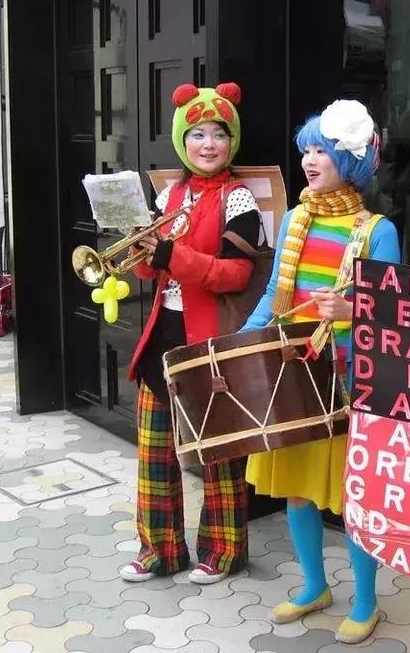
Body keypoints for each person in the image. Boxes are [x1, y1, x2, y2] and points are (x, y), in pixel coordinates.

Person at [241, 99, 401, 644]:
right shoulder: (294, 218)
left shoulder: (379, 230)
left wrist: (354, 310)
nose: (310, 159)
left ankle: (366, 600)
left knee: (356, 497)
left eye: (323, 150)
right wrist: (242, 343)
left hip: (350, 382)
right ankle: (314, 586)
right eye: (307, 149)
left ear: (349, 160)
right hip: (294, 375)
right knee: (297, 491)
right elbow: (272, 294)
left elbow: (395, 317)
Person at [120, 82, 262, 586]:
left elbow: (238, 274)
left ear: (231, 141)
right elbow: (152, 272)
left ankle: (224, 551)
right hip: (165, 333)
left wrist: (172, 255)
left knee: (218, 449)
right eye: (197, 134)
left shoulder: (239, 196)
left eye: (218, 135)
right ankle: (159, 550)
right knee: (155, 450)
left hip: (210, 340)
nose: (207, 144)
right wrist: (139, 253)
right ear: (183, 140)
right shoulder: (170, 194)